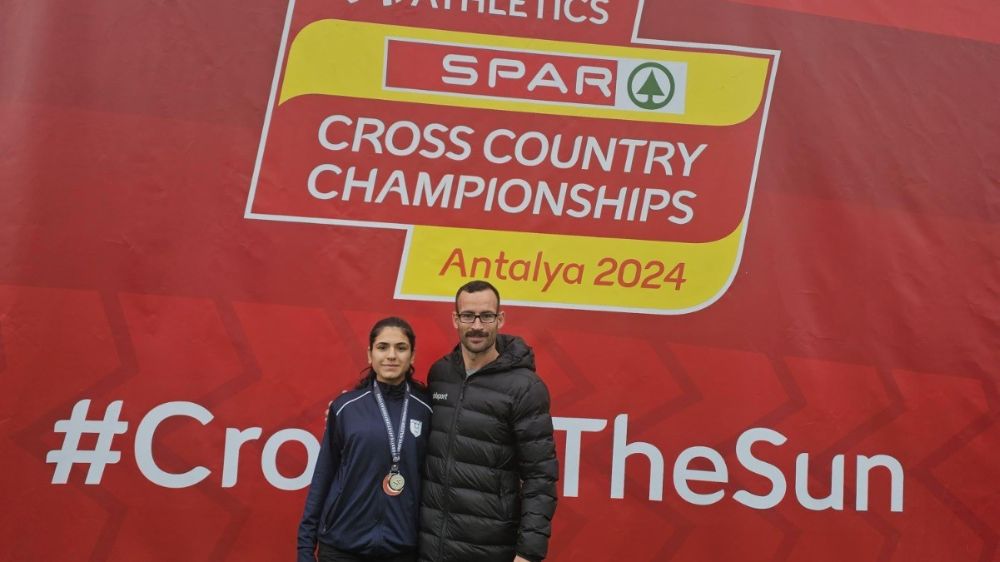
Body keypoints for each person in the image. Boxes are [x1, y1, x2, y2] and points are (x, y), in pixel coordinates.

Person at [419, 280, 559, 562]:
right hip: (431, 546)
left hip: (490, 549)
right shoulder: (440, 374)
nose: (477, 326)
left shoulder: (525, 388)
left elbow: (540, 477)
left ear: (500, 319)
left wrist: (528, 553)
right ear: (456, 319)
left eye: (486, 316)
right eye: (468, 316)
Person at [298, 317, 433, 562]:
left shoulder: (426, 410)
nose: (391, 355)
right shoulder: (346, 407)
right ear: (369, 355)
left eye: (401, 348)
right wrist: (305, 547)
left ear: (412, 357)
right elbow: (323, 476)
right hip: (342, 547)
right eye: (382, 347)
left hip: (401, 549)